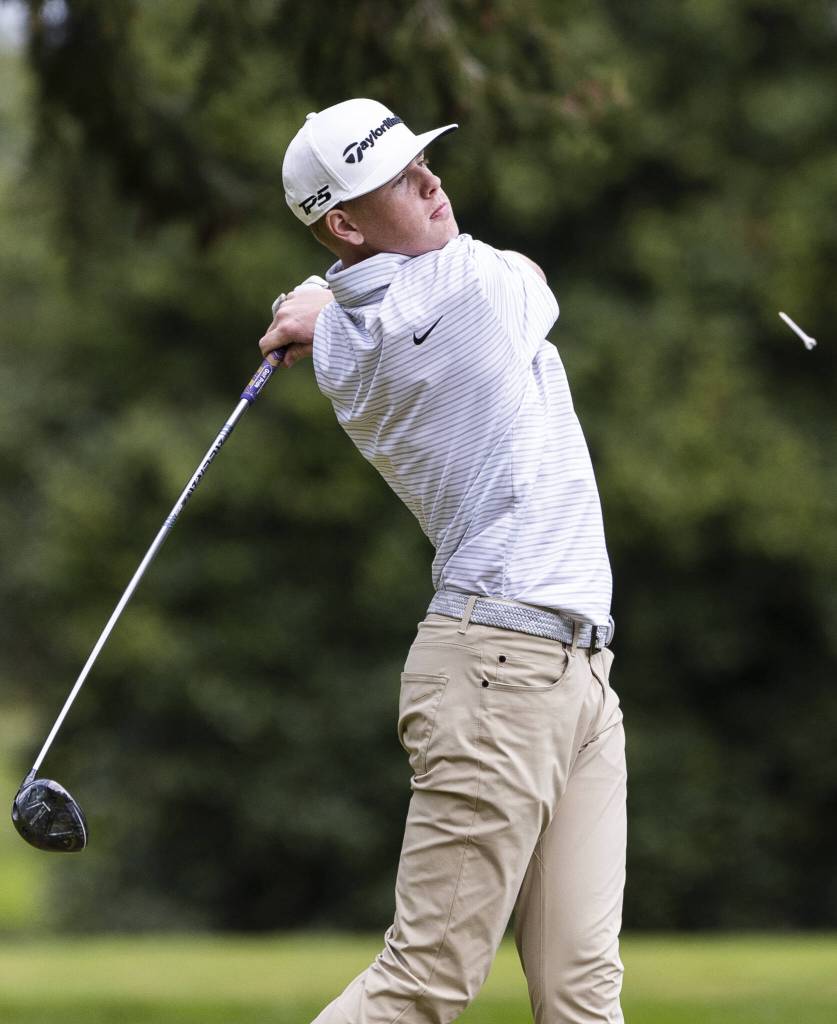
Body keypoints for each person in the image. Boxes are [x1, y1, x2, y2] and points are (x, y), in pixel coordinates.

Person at [260, 98, 627, 1024]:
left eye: (425, 164)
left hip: (575, 674)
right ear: (341, 223)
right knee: (423, 983)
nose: (431, 182)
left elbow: (350, 299)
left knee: (581, 993)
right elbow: (530, 274)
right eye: (397, 181)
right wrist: (318, 305)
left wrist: (314, 305)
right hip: (502, 671)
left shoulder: (348, 328)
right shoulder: (462, 290)